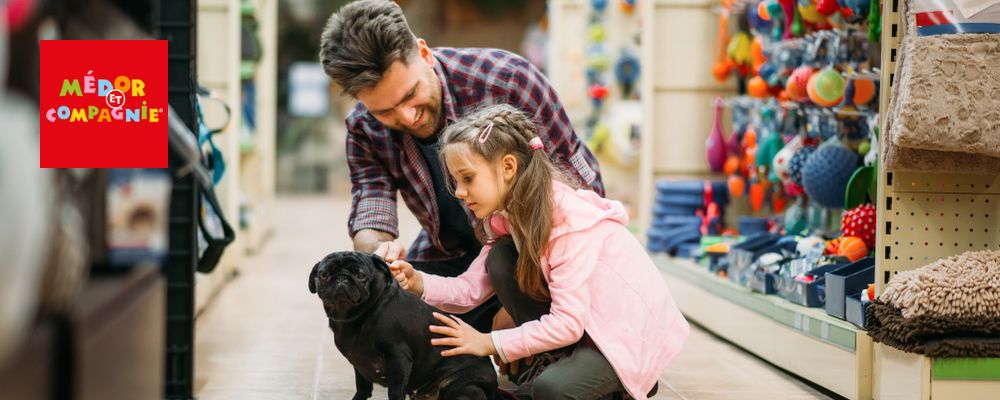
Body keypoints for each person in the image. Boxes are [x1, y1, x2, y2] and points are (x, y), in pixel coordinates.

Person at [318, 0, 604, 339]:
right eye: (386, 111)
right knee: (382, 315)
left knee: (515, 280)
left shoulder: (508, 80)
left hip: (536, 254)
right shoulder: (364, 128)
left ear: (423, 53)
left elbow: (583, 195)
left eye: (411, 94)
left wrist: (516, 304)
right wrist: (378, 253)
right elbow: (371, 213)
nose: (407, 117)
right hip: (452, 258)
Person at [388, 104, 690, 400]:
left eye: (468, 178)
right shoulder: (507, 216)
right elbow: (470, 289)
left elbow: (568, 324)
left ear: (508, 167)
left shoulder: (567, 222)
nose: (459, 192)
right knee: (501, 259)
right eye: (455, 181)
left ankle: (624, 382)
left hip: (624, 335)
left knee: (551, 391)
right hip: (588, 323)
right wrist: (419, 282)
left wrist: (488, 343)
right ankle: (563, 363)